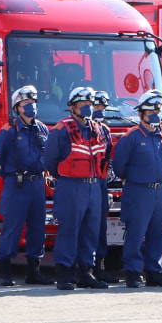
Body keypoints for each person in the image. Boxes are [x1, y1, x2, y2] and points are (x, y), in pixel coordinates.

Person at [45, 86, 111, 290]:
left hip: (94, 186)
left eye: (89, 105)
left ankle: (86, 272)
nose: (87, 109)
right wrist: (66, 176)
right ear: (72, 108)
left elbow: (106, 156)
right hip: (71, 185)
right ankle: (65, 273)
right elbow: (50, 161)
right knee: (69, 230)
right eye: (83, 105)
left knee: (91, 231)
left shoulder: (99, 129)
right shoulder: (61, 130)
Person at [112, 91, 162, 288]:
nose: (156, 114)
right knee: (136, 231)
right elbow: (119, 166)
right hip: (139, 191)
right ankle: (132, 271)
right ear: (141, 114)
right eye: (151, 111)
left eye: (158, 110)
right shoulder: (131, 137)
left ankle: (153, 271)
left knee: (159, 233)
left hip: (160, 192)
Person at [0, 85, 53, 286]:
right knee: (12, 228)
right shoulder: (8, 130)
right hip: (16, 185)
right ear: (17, 108)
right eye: (26, 104)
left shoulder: (43, 129)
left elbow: (49, 156)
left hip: (37, 185)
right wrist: (12, 176)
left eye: (33, 103)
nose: (31, 107)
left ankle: (33, 272)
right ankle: (5, 273)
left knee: (37, 228)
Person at [91, 90, 119, 284]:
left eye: (102, 108)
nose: (100, 111)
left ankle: (99, 268)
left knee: (100, 226)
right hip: (81, 182)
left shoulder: (106, 131)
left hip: (101, 182)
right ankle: (79, 268)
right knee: (82, 227)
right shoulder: (76, 129)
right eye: (96, 107)